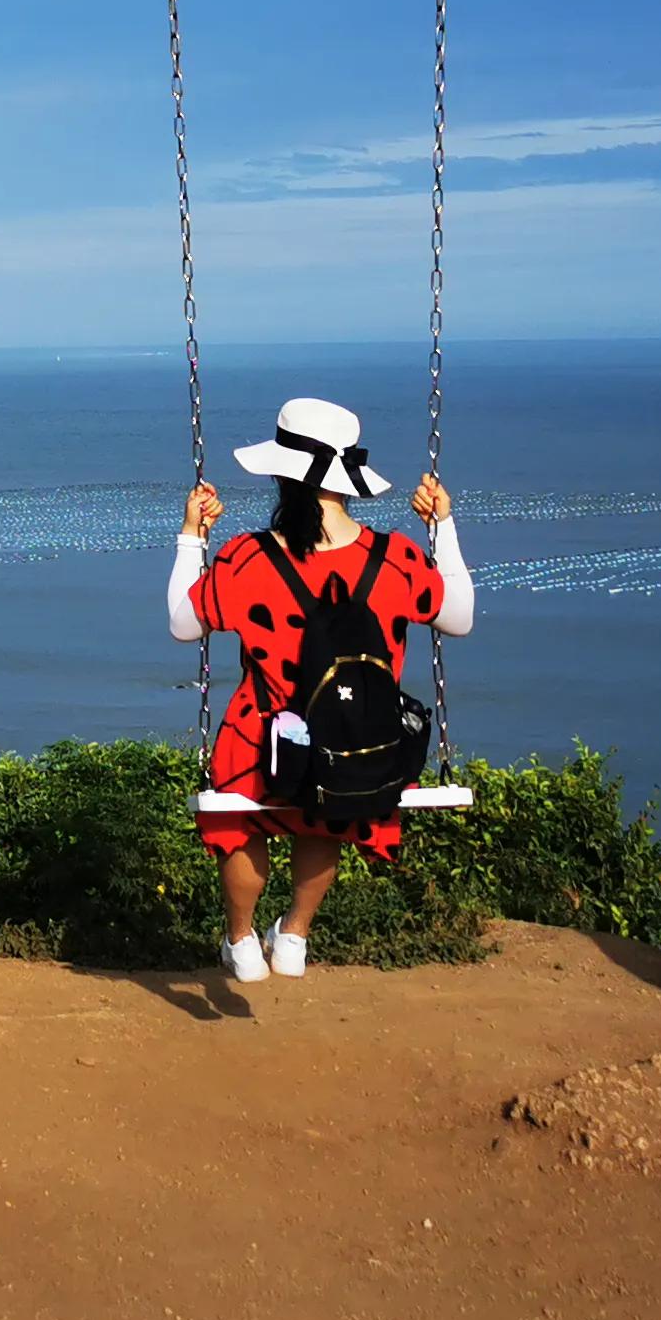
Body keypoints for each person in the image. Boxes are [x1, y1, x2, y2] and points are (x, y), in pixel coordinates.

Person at [168, 393, 478, 985]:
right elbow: (458, 616)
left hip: (262, 733)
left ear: (282, 476)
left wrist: (191, 536)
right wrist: (443, 526)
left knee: (240, 825)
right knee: (326, 818)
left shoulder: (249, 559)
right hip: (353, 738)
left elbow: (185, 624)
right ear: (346, 478)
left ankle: (240, 939)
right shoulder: (396, 559)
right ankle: (295, 934)